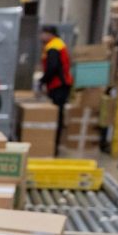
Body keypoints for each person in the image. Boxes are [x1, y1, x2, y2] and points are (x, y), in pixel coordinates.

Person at [38, 24, 73, 152]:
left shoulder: (53, 47)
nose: (40, 36)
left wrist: (42, 81)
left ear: (49, 34)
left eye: (42, 33)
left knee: (56, 115)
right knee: (57, 114)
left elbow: (52, 68)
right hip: (60, 85)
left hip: (59, 85)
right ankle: (54, 144)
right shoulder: (57, 44)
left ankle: (54, 146)